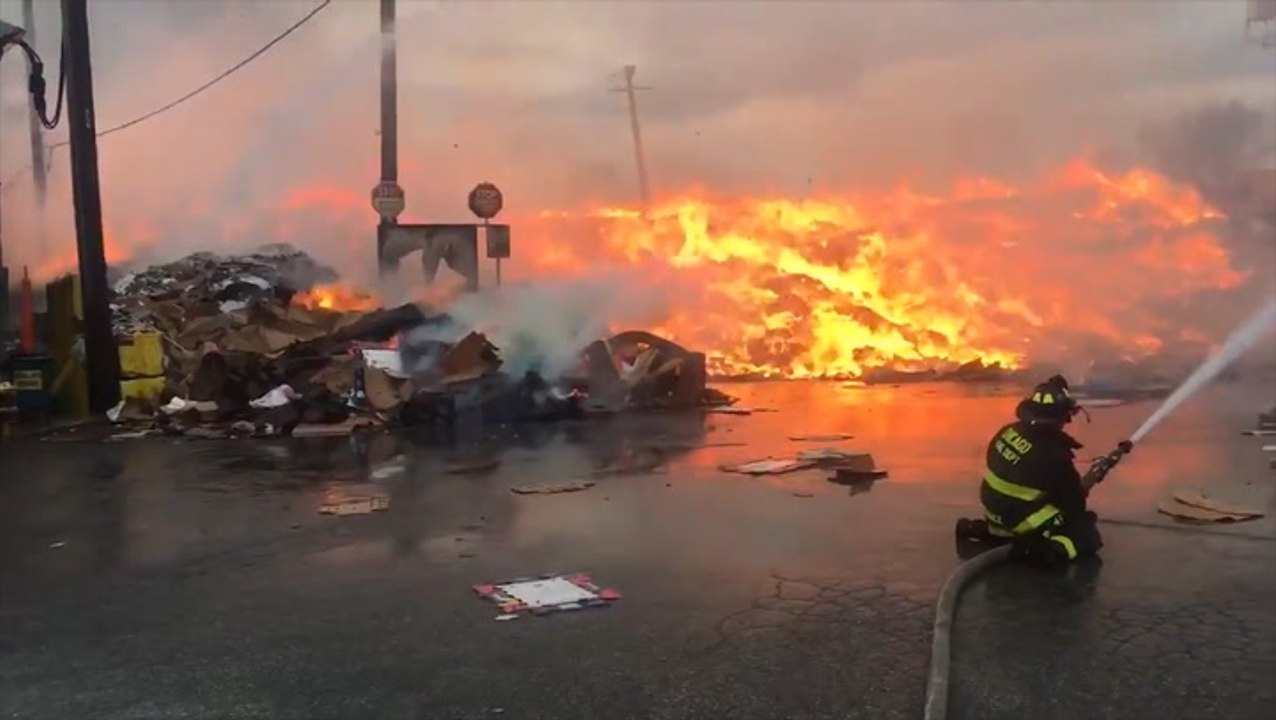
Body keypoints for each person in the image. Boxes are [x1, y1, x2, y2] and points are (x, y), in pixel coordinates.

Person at [955, 375, 1104, 567]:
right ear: (1062, 415)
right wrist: (1084, 501)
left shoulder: (1009, 431)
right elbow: (1073, 505)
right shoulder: (1054, 454)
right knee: (1085, 535)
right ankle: (1041, 552)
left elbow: (1025, 476)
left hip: (994, 513)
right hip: (1018, 522)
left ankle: (978, 530)